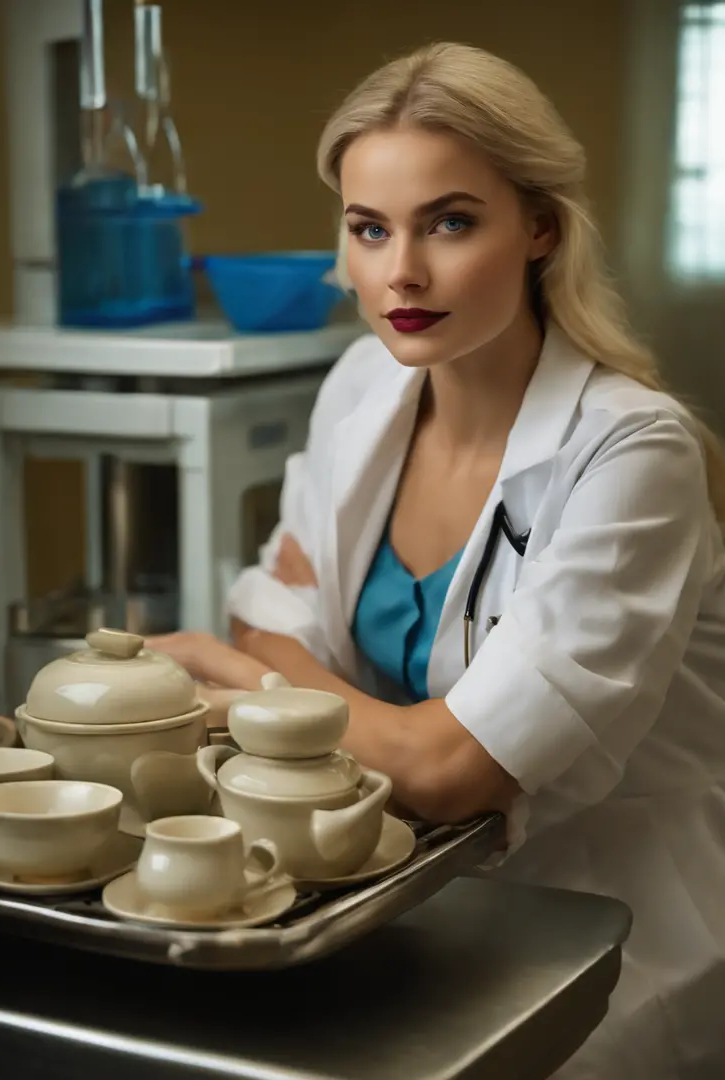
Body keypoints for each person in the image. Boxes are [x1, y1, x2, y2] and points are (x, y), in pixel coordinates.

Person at [148, 43, 725, 1077]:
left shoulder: (633, 454)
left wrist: (252, 691)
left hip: (616, 923)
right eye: (368, 229)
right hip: (413, 893)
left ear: (539, 227)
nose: (398, 273)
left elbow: (453, 772)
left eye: (448, 222)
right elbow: (266, 616)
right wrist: (370, 719)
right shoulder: (363, 384)